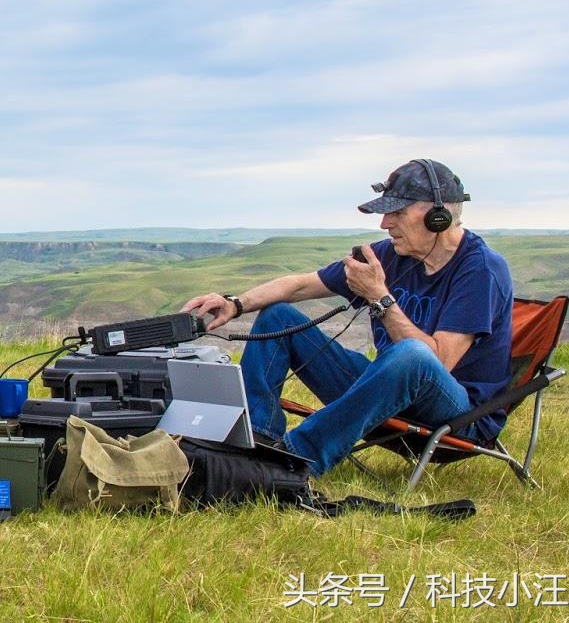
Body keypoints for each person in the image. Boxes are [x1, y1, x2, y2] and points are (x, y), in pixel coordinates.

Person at [181, 159, 513, 476]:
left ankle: (292, 461)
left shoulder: (481, 269)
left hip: (457, 415)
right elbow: (300, 286)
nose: (385, 224)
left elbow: (437, 363)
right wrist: (236, 303)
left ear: (436, 216)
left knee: (412, 355)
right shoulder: (389, 255)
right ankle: (256, 440)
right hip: (386, 390)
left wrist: (378, 297)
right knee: (279, 317)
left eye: (396, 212)